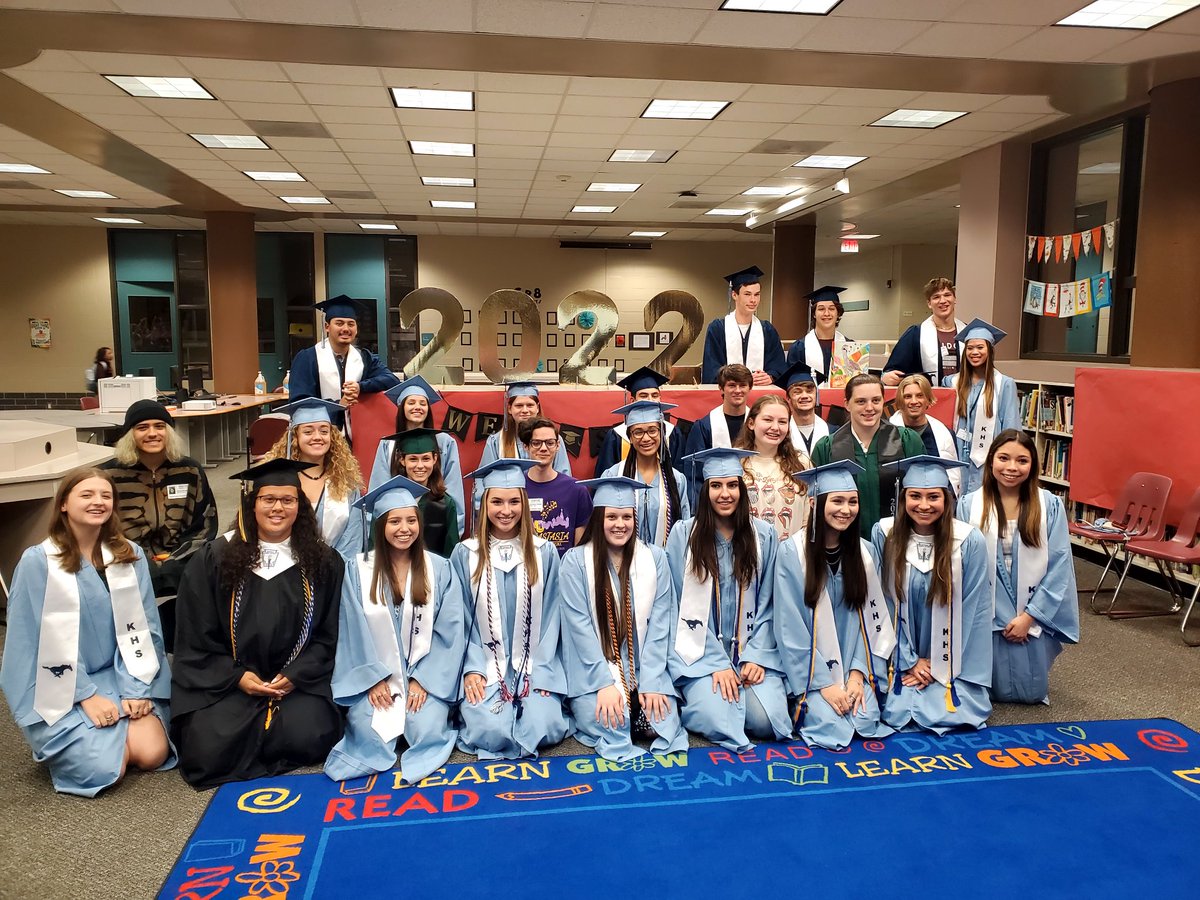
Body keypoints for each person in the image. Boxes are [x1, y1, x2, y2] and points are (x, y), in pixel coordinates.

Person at [170, 459, 345, 788]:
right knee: (207, 750)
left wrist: (295, 675)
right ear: (252, 503)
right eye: (268, 499)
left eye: (288, 500)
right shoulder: (214, 558)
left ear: (300, 506)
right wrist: (237, 677)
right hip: (227, 682)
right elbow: (194, 639)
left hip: (297, 682)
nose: (277, 508)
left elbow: (330, 634)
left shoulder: (323, 561)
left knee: (310, 734)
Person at [1, 468, 174, 797]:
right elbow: (33, 641)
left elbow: (147, 626)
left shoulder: (129, 555)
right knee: (103, 768)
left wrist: (136, 689)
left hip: (122, 672)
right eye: (87, 495)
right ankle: (84, 733)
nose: (98, 502)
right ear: (64, 503)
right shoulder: (38, 562)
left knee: (152, 754)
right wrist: (85, 695)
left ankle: (116, 725)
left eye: (106, 496)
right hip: (59, 682)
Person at [325, 476, 463, 784]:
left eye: (411, 520)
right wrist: (372, 680)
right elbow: (352, 630)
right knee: (367, 730)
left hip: (424, 676)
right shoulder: (358, 569)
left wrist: (423, 680)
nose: (404, 529)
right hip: (377, 676)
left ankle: (423, 720)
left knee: (426, 726)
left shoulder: (439, 568)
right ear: (380, 526)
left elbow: (450, 632)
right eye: (395, 521)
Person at [666, 448, 791, 750]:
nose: (725, 494)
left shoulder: (763, 536)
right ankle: (694, 696)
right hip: (699, 655)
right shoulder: (684, 535)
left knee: (764, 721)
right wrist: (715, 662)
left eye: (732, 485)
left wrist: (757, 656)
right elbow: (674, 605)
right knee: (720, 716)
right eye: (716, 486)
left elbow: (772, 604)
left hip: (753, 651)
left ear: (742, 489)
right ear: (705, 489)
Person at [560, 477, 687, 760]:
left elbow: (661, 624)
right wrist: (604, 684)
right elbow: (579, 628)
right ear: (598, 518)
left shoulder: (655, 558)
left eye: (627, 517)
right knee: (612, 722)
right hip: (593, 670)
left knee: (660, 722)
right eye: (612, 517)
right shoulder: (575, 561)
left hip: (643, 665)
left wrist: (653, 681)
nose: (620, 524)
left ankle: (640, 699)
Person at [451, 458, 569, 759]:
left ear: (524, 503)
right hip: (486, 666)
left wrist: (544, 672)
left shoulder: (545, 553)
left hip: (536, 667)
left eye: (514, 501)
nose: (506, 510)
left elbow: (554, 618)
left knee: (544, 724)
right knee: (489, 729)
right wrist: (472, 669)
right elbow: (459, 621)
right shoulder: (465, 554)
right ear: (484, 504)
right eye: (498, 502)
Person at [774, 461, 896, 750]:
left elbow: (871, 623)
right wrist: (824, 684)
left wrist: (857, 674)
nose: (846, 510)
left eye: (852, 502)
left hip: (854, 665)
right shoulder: (791, 553)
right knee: (829, 723)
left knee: (864, 718)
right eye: (837, 501)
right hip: (810, 674)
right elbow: (789, 627)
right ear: (816, 503)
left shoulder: (865, 553)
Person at [956, 430, 1079, 704]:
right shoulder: (969, 505)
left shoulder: (1049, 505)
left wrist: (1029, 617)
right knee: (989, 691)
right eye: (1004, 458)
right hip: (986, 616)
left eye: (1022, 460)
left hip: (1031, 614)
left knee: (1030, 694)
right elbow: (965, 568)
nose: (1012, 467)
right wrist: (1000, 616)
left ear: (1033, 465)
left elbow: (1059, 565)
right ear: (990, 461)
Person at [873, 456, 992, 734]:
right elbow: (882, 603)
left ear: (947, 499)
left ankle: (937, 678)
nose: (924, 505)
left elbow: (974, 610)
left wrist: (940, 664)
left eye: (933, 497)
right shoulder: (884, 533)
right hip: (899, 656)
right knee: (886, 702)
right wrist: (909, 660)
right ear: (903, 499)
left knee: (952, 705)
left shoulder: (969, 541)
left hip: (952, 659)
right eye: (915, 496)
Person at [101, 399, 217, 647]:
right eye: (142, 427)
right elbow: (102, 528)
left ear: (169, 431)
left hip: (182, 561)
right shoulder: (109, 475)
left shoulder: (190, 470)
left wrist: (175, 560)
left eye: (159, 426)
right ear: (130, 434)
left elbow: (205, 524)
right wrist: (138, 559)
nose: (152, 433)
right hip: (126, 562)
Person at [810, 374, 925, 537]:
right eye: (861, 401)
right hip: (847, 545)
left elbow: (922, 493)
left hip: (899, 540)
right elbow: (818, 504)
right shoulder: (826, 447)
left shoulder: (907, 440)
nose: (869, 408)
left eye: (876, 400)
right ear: (847, 405)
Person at [288, 295, 400, 443]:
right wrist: (337, 405)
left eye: (351, 324)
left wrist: (360, 387)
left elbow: (392, 380)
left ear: (356, 328)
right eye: (339, 323)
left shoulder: (364, 357)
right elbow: (300, 403)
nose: (346, 329)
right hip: (319, 437)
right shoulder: (307, 358)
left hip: (357, 435)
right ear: (327, 327)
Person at [265, 397, 365, 560]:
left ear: (332, 437)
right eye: (308, 431)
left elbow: (352, 538)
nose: (317, 437)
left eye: (324, 431)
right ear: (295, 437)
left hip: (337, 570)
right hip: (287, 569)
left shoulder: (346, 482)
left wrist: (336, 570)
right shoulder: (278, 480)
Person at [369, 375, 465, 537]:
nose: (417, 407)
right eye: (411, 402)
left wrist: (453, 528)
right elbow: (380, 489)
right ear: (401, 407)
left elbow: (453, 489)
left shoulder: (444, 442)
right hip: (398, 524)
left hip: (436, 521)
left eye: (422, 403)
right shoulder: (389, 444)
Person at [943, 319, 1020, 495]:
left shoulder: (1005, 384)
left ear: (990, 350)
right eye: (970, 348)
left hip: (987, 457)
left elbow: (1011, 428)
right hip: (956, 453)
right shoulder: (951, 382)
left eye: (980, 347)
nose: (974, 352)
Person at [600, 400, 689, 548]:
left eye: (652, 430)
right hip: (624, 562)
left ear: (662, 434)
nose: (646, 438)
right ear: (630, 437)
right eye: (638, 432)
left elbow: (683, 528)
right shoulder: (613, 476)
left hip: (664, 564)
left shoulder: (677, 479)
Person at [473, 382, 571, 510]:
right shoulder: (496, 441)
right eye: (519, 405)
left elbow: (563, 476)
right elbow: (484, 479)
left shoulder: (553, 440)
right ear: (509, 409)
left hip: (547, 506)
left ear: (537, 407)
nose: (525, 410)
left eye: (530, 405)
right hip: (509, 509)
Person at [370, 428, 460, 558]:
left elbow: (451, 554)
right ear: (402, 460)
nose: (420, 466)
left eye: (426, 459)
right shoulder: (385, 502)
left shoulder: (445, 504)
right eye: (413, 459)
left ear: (435, 459)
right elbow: (374, 549)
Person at [735, 394, 812, 542]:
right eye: (768, 420)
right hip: (746, 552)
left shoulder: (801, 463)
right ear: (751, 423)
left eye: (782, 422)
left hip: (790, 553)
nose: (775, 427)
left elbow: (808, 518)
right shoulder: (736, 461)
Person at [520, 417, 593, 555]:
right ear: (526, 446)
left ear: (558, 445)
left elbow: (581, 551)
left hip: (563, 573)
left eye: (549, 443)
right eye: (536, 443)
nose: (543, 448)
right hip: (524, 572)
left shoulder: (577, 490)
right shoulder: (516, 487)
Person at [592, 366, 684, 476]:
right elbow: (605, 476)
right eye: (644, 396)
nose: (651, 400)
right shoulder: (616, 435)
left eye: (655, 395)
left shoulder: (673, 433)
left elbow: (681, 471)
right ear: (632, 400)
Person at [701, 266, 785, 386]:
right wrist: (742, 379)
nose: (753, 300)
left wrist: (770, 377)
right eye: (747, 294)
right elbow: (712, 369)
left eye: (757, 294)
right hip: (729, 395)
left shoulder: (767, 329)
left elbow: (778, 366)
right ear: (734, 295)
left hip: (761, 397)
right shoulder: (718, 329)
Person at [682, 363, 752, 505]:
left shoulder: (758, 424)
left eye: (743, 385)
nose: (737, 390)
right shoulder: (704, 427)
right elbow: (694, 476)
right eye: (732, 385)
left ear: (750, 388)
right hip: (715, 503)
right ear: (721, 388)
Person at [882, 277, 966, 387]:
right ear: (929, 303)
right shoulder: (916, 333)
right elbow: (893, 370)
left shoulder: (968, 332)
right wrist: (886, 376)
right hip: (927, 399)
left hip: (965, 398)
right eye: (936, 297)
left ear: (954, 299)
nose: (943, 301)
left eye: (947, 295)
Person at [889, 374, 959, 495]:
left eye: (920, 396)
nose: (914, 401)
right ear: (900, 401)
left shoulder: (945, 434)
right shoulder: (887, 433)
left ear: (928, 399)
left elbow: (952, 476)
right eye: (907, 397)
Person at [785, 286, 847, 385]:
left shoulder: (850, 347)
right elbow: (792, 385)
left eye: (831, 309)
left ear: (838, 313)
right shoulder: (799, 348)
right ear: (814, 314)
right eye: (821, 309)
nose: (826, 313)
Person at [777, 361, 829, 456]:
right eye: (797, 392)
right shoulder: (779, 433)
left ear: (816, 395)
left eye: (809, 391)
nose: (804, 396)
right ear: (788, 398)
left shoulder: (832, 432)